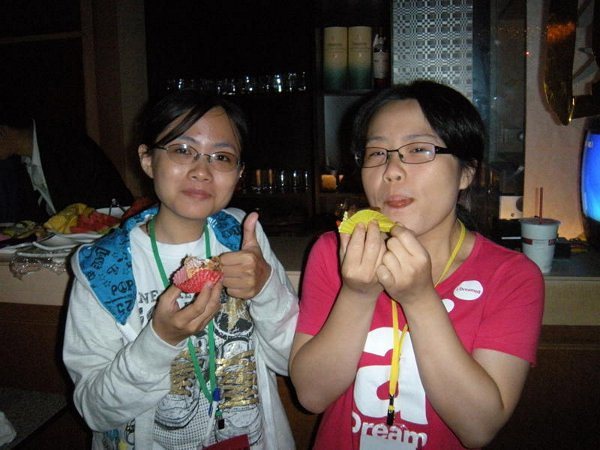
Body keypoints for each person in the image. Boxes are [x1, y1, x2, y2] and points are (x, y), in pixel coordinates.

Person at [289, 80, 544, 449]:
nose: (392, 170)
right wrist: (357, 294)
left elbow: (478, 428)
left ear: (467, 172)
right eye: (377, 153)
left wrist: (420, 299)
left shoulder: (511, 276)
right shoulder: (334, 251)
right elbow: (312, 395)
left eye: (419, 149)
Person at [63, 90, 299, 449]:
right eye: (183, 150)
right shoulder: (103, 267)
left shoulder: (242, 237)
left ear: (239, 173)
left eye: (221, 157)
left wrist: (266, 290)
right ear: (147, 159)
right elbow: (95, 412)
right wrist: (159, 341)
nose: (201, 171)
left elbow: (291, 361)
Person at [0, 101, 133, 223]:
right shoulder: (17, 161)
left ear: (3, 131)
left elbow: (82, 208)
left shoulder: (65, 145)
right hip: (74, 233)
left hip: (111, 225)